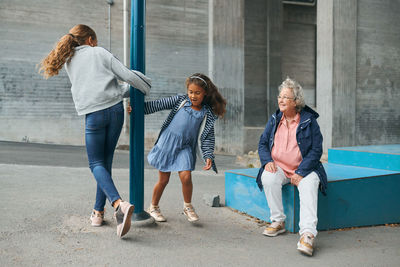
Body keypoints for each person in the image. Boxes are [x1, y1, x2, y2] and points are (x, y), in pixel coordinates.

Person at [38, 24, 151, 238]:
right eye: (95, 41)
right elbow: (127, 77)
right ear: (90, 39)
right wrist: (146, 87)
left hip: (94, 115)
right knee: (104, 162)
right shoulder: (99, 52)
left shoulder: (69, 61)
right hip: (116, 112)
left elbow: (95, 88)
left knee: (96, 163)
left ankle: (118, 204)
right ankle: (98, 213)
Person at [256, 77, 327, 256]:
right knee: (267, 176)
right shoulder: (274, 119)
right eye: (280, 96)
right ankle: (278, 221)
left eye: (286, 97)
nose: (280, 100)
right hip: (279, 166)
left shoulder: (309, 121)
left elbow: (316, 150)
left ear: (296, 102)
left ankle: (307, 235)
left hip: (304, 168)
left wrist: (301, 172)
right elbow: (263, 143)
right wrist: (267, 161)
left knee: (309, 185)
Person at [144, 73, 226, 222]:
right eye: (191, 92)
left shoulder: (207, 113)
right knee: (163, 180)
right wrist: (137, 109)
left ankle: (188, 206)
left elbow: (207, 137)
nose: (193, 96)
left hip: (186, 147)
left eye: (197, 93)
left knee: (186, 176)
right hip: (167, 144)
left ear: (205, 93)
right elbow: (158, 104)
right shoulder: (181, 101)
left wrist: (208, 156)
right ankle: (153, 207)